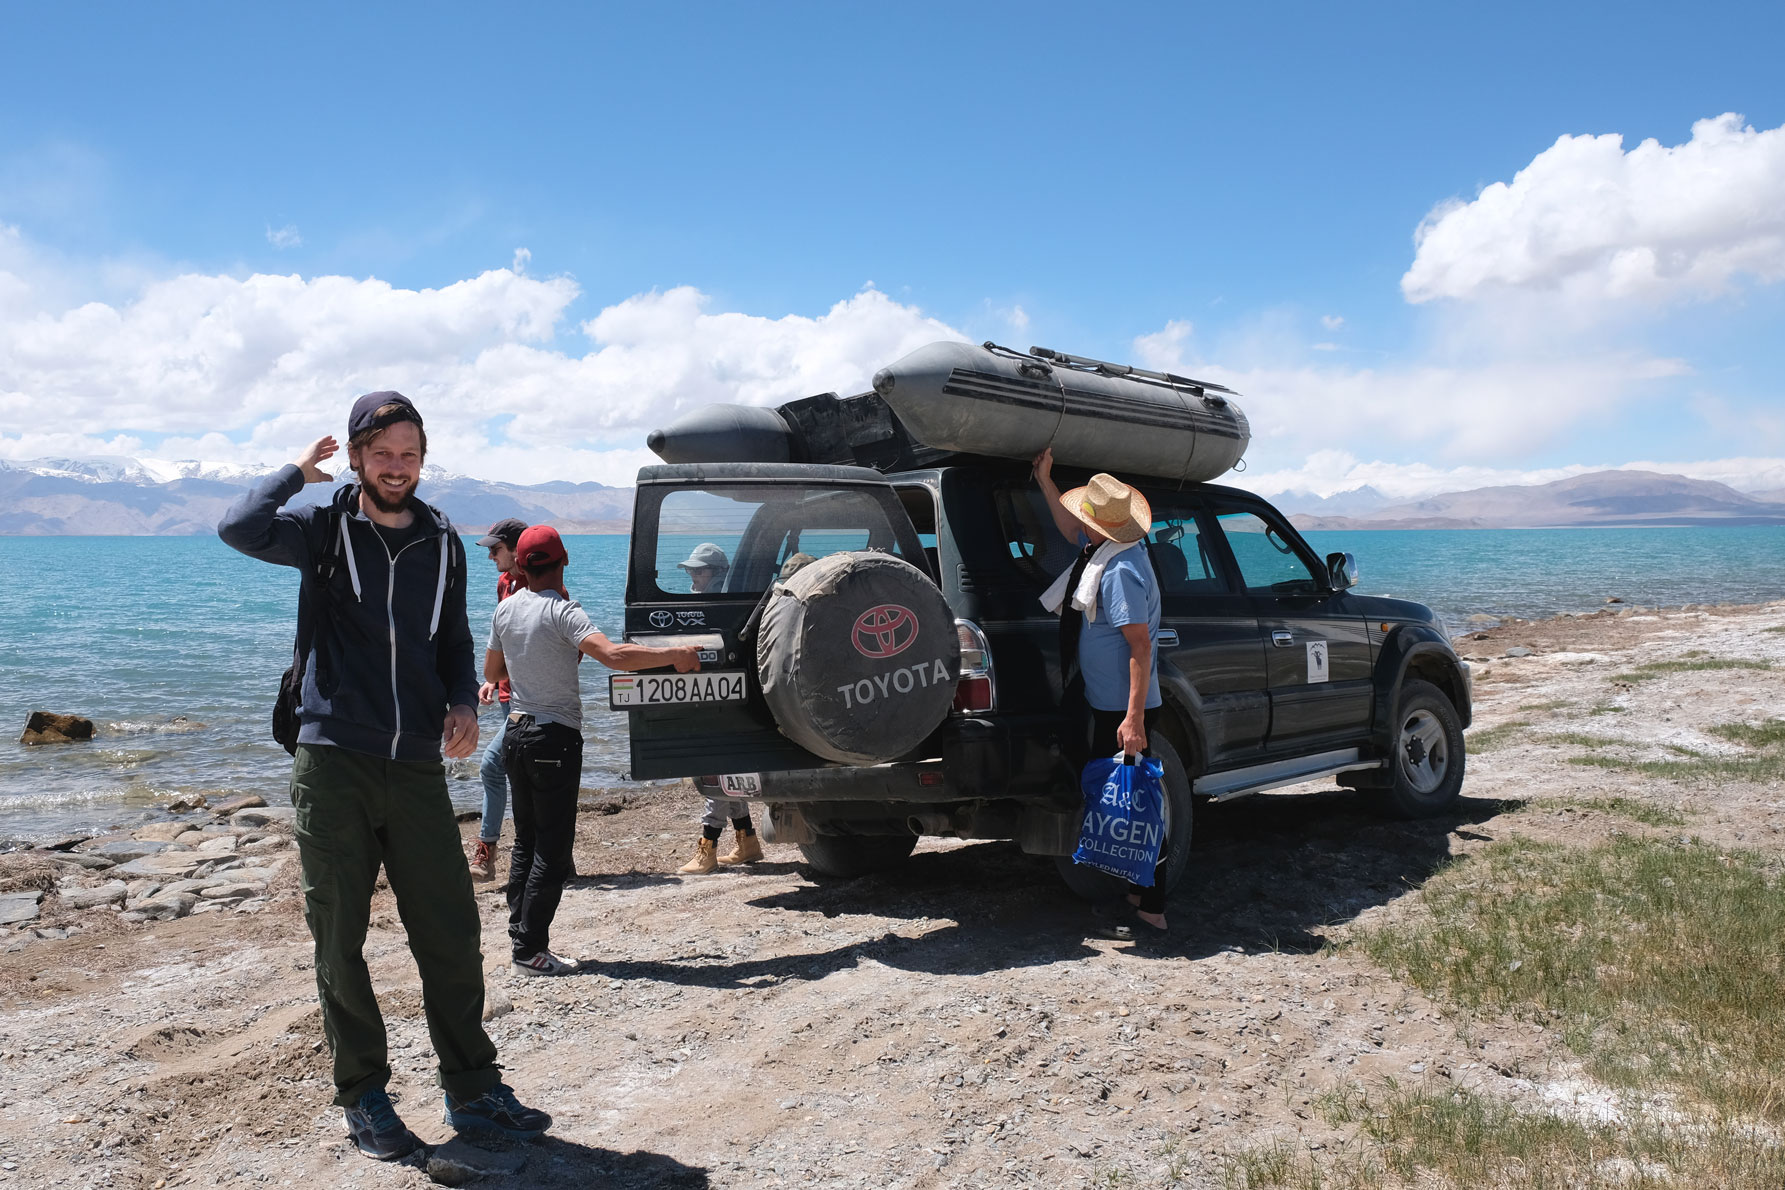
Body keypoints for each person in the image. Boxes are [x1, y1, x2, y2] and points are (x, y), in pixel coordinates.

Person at [218, 392, 552, 1161]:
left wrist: (464, 700)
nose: (395, 467)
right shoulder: (322, 524)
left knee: (450, 927)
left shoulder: (443, 540)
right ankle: (364, 1095)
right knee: (340, 938)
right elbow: (238, 528)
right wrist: (294, 474)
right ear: (360, 457)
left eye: (409, 454)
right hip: (332, 759)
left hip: (413, 767)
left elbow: (452, 635)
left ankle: (473, 1087)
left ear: (421, 460)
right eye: (382, 453)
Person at [485, 524, 699, 975]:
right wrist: (675, 654)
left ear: (520, 566)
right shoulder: (565, 611)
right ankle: (530, 951)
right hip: (552, 737)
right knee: (553, 848)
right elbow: (614, 656)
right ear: (564, 562)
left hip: (516, 733)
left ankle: (519, 937)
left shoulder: (505, 610)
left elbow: (493, 669)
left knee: (525, 838)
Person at [1033, 448, 1170, 935]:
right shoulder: (1103, 552)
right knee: (1122, 800)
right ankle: (1136, 893)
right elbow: (1069, 529)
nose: (1079, 526)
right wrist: (1045, 482)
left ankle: (1152, 905)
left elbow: (1139, 648)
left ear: (1103, 527)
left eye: (1086, 519)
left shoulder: (1119, 573)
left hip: (1122, 709)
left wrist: (1132, 721)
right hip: (1106, 702)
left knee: (1131, 805)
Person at [674, 546, 806, 876]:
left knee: (719, 769)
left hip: (728, 700)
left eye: (700, 571)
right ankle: (747, 840)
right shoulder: (705, 604)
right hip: (715, 697)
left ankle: (708, 847)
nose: (693, 577)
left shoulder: (721, 606)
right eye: (691, 571)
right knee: (726, 770)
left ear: (718, 572)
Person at [468, 516, 529, 881]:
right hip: (508, 695)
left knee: (492, 767)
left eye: (496, 549)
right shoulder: (505, 583)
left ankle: (486, 854)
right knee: (522, 776)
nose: (491, 555)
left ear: (516, 549)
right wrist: (494, 679)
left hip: (528, 702)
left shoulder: (539, 585)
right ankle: (549, 856)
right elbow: (505, 640)